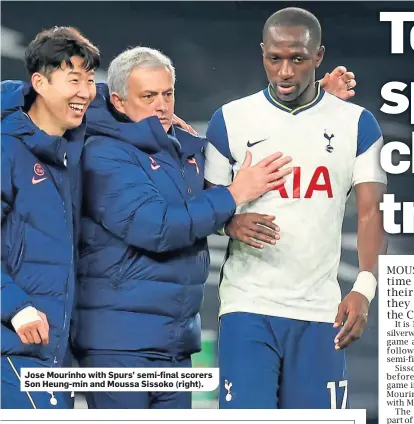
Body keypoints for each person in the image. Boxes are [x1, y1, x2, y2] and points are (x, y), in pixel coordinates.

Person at [73, 44, 355, 409]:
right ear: (119, 101)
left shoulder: (181, 148)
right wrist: (234, 196)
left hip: (173, 341)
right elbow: (156, 227)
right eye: (148, 96)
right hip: (120, 343)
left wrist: (316, 110)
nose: (161, 105)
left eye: (167, 94)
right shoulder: (103, 153)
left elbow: (255, 164)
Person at [204, 7, 387, 409]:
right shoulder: (230, 120)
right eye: (275, 58)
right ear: (262, 53)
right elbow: (204, 209)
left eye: (298, 59)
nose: (285, 71)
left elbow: (373, 212)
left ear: (318, 56)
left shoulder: (357, 124)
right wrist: (230, 224)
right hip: (247, 306)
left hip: (320, 310)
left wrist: (364, 289)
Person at [1, 26, 100, 409]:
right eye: (73, 79)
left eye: (90, 80)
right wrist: (17, 309)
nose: (85, 92)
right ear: (39, 83)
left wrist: (160, 113)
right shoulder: (6, 151)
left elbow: (125, 95)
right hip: (12, 350)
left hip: (53, 357)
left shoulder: (69, 149)